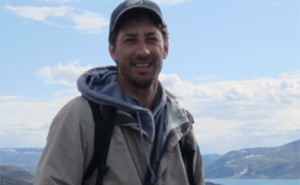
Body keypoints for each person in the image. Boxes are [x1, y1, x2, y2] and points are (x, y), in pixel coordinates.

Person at [34, 0, 205, 185]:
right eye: (130, 40)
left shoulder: (181, 127)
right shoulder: (80, 118)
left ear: (165, 48)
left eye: (151, 39)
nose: (143, 51)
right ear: (113, 51)